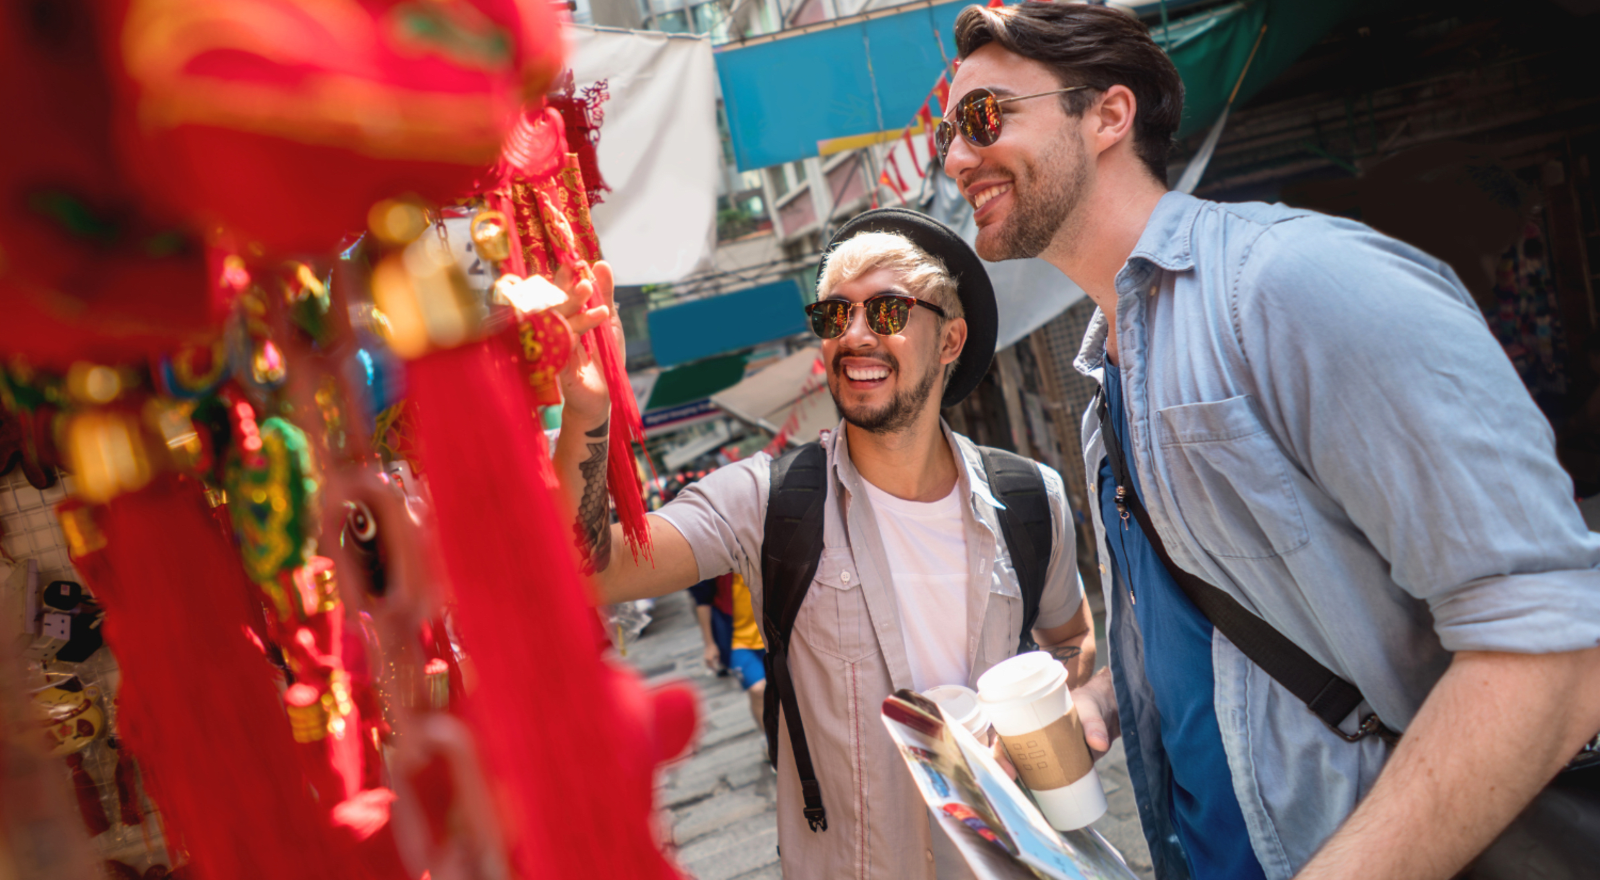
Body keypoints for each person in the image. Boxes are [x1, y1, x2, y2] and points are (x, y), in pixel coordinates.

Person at [938, 4, 1600, 880]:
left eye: (984, 116)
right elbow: (1217, 625)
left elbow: (1552, 643)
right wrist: (1100, 700)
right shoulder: (1108, 379)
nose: (954, 157)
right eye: (950, 129)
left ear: (1107, 113)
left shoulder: (1293, 285)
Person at [551, 209, 1094, 879]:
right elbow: (585, 569)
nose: (856, 336)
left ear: (950, 339)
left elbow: (1072, 637)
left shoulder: (1032, 499)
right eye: (835, 316)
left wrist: (1046, 722)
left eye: (888, 313)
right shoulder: (768, 500)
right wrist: (586, 409)